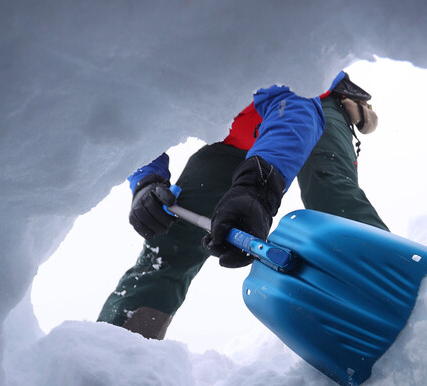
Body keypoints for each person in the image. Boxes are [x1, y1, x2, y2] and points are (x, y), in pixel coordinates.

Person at [97, 71, 387, 339]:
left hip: (309, 104)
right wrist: (146, 180)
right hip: (234, 135)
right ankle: (121, 347)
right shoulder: (143, 64)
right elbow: (140, 122)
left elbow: (294, 98)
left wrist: (257, 188)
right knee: (172, 237)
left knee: (331, 199)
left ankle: (385, 289)